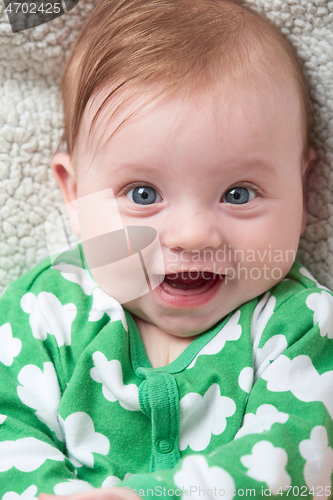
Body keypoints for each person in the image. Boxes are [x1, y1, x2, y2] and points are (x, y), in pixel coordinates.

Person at [1, 0, 333, 498]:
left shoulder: (301, 324)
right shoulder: (44, 312)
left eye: (238, 194)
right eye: (143, 195)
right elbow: (9, 429)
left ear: (304, 191)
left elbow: (297, 456)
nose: (192, 235)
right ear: (74, 195)